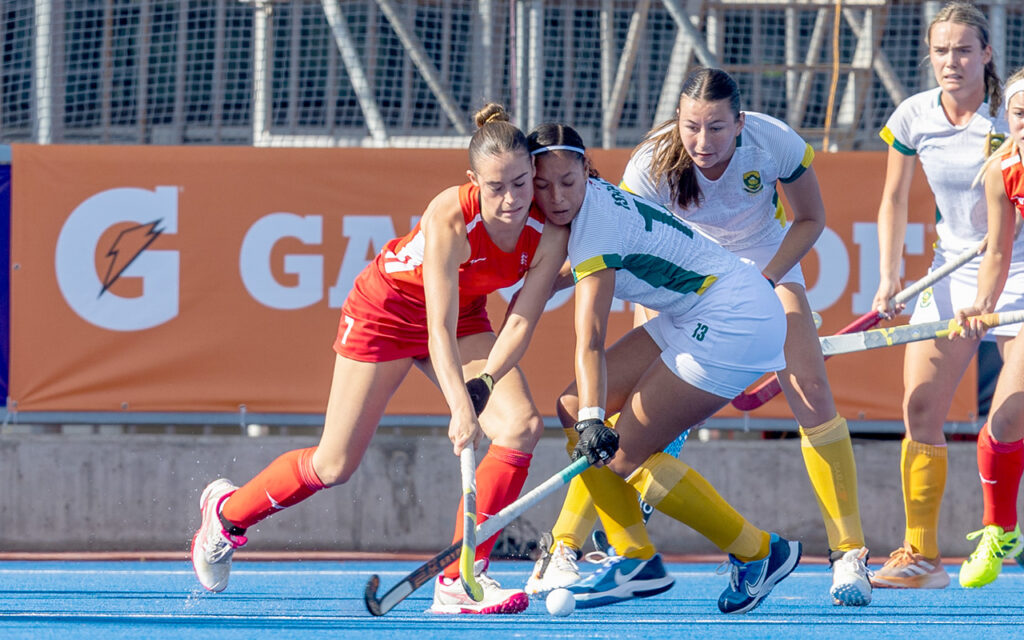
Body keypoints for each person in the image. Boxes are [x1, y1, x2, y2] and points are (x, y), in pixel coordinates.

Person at [189, 103, 571, 615]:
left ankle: (462, 580)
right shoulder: (450, 216)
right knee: (334, 463)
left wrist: (484, 387)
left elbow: (519, 322)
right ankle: (227, 514)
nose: (512, 200)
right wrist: (462, 406)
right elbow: (434, 324)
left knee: (521, 425)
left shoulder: (549, 229)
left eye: (522, 184)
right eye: (496, 187)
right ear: (473, 181)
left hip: (466, 317)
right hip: (388, 312)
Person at [526, 67, 871, 607]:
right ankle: (571, 546)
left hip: (757, 270)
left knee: (810, 391)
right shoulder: (650, 165)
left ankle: (845, 553)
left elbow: (809, 219)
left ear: (739, 123)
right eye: (691, 127)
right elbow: (639, 254)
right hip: (686, 283)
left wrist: (765, 280)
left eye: (715, 129)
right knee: (593, 411)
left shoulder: (773, 141)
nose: (701, 143)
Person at [869, 1, 1024, 589]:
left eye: (963, 50)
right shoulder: (913, 116)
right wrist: (889, 276)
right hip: (951, 272)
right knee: (920, 409)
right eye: (940, 51)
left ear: (986, 54)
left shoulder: (1006, 122)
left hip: (1018, 273)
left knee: (1010, 415)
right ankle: (922, 556)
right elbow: (893, 200)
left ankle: (1000, 530)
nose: (950, 62)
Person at [950, 68, 1024, 588]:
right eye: (1021, 114)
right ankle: (1001, 528)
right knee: (1003, 425)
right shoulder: (1006, 166)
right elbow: (998, 250)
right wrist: (981, 304)